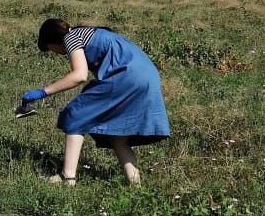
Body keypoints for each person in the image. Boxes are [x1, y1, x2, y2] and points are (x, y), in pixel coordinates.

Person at [21, 18, 170, 186]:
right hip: (148, 76)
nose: (54, 53)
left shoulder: (70, 37)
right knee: (117, 136)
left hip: (126, 76)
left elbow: (80, 75)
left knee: (74, 115)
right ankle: (135, 184)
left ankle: (67, 177)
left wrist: (43, 92)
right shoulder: (94, 33)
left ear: (53, 41)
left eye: (50, 49)